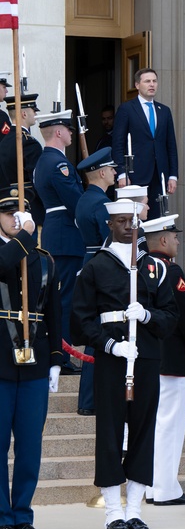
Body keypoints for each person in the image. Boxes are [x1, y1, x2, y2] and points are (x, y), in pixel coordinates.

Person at [71, 199, 179, 529]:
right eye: (122, 221)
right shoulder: (95, 267)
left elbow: (171, 317)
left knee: (144, 432)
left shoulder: (154, 268)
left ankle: (134, 509)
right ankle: (112, 512)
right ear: (110, 224)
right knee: (110, 434)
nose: (129, 227)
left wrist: (147, 316)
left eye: (133, 221)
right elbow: (80, 320)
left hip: (145, 357)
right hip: (111, 359)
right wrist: (110, 344)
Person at [0, 187, 60, 529]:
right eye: (8, 213)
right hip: (0, 361)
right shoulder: (14, 249)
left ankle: (22, 513)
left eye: (20, 213)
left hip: (34, 360)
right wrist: (22, 238)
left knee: (29, 444)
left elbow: (53, 310)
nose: (15, 218)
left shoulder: (43, 258)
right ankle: (2, 516)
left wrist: (55, 360)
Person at [145, 214, 185, 507]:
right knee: (171, 425)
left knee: (157, 422)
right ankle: (166, 488)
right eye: (174, 236)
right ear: (163, 240)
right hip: (175, 358)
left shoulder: (142, 268)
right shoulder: (172, 271)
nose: (178, 240)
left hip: (151, 356)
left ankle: (155, 486)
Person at [33, 110, 85, 373]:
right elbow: (75, 201)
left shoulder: (45, 161)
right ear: (58, 132)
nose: (72, 133)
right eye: (68, 128)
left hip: (59, 232)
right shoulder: (58, 164)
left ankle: (60, 353)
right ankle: (62, 356)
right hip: (66, 235)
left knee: (61, 297)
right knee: (65, 299)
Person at [73, 146, 117, 416]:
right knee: (98, 332)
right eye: (111, 168)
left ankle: (90, 397)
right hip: (100, 266)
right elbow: (109, 238)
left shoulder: (84, 199)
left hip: (88, 263)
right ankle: (90, 398)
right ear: (101, 172)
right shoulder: (100, 204)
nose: (114, 172)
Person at [111, 68, 178, 219]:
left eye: (154, 81)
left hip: (159, 174)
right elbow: (118, 143)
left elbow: (171, 145)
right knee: (134, 218)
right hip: (135, 174)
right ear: (137, 85)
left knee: (156, 218)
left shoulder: (164, 111)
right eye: (147, 81)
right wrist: (121, 173)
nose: (152, 84)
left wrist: (173, 175)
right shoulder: (127, 109)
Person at [0, 93, 40, 194]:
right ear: (24, 114)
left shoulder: (5, 141)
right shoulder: (29, 142)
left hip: (8, 198)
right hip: (29, 199)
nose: (36, 114)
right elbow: (37, 179)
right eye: (33, 110)